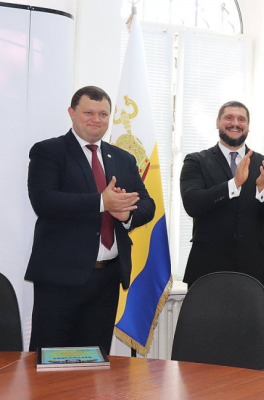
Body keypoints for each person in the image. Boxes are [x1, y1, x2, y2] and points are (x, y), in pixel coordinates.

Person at [26, 86, 156, 353]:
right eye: (88, 113)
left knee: (95, 362)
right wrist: (102, 202)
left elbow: (148, 204)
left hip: (107, 279)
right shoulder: (49, 151)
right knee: (51, 361)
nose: (96, 119)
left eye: (103, 114)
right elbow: (44, 201)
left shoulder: (123, 158)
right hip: (60, 279)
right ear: (72, 113)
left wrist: (127, 215)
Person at [180, 101, 264, 290]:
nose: (235, 123)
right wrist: (234, 184)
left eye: (241, 119)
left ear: (248, 126)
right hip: (207, 268)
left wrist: (263, 187)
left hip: (254, 270)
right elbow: (192, 204)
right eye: (229, 118)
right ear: (218, 122)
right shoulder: (195, 161)